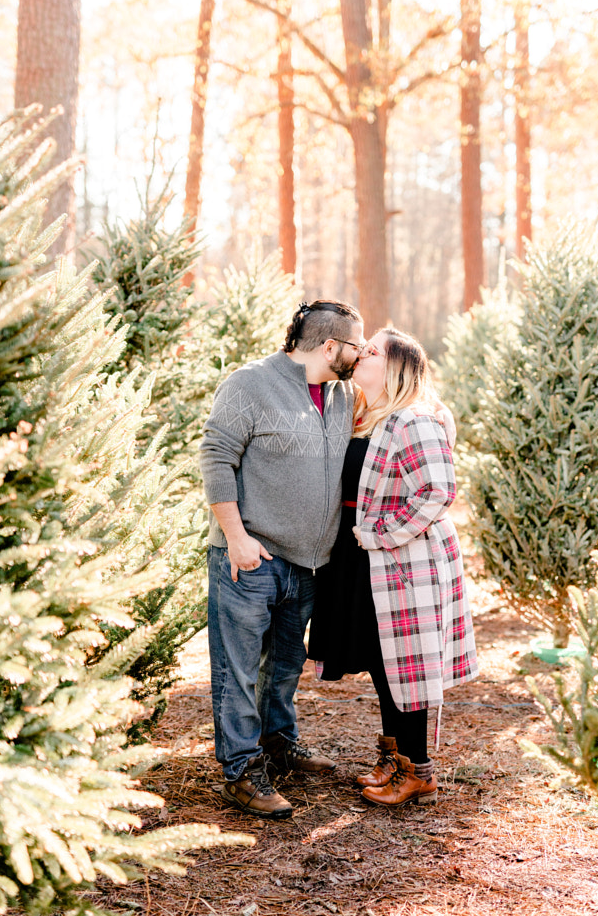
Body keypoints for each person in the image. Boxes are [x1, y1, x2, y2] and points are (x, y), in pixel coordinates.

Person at [200, 300, 365, 821]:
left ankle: (279, 742)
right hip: (251, 557)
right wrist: (236, 537)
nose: (361, 355)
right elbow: (215, 454)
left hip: (309, 563)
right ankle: (242, 771)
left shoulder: (342, 395)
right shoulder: (250, 384)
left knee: (286, 666)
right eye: (356, 345)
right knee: (239, 668)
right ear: (330, 346)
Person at [308, 327, 478, 807]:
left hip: (403, 560)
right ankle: (394, 756)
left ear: (398, 367)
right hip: (362, 559)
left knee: (406, 662)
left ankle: (418, 770)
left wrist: (380, 535)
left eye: (375, 350)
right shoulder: (367, 415)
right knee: (384, 662)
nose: (363, 353)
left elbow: (438, 493)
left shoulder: (415, 420)